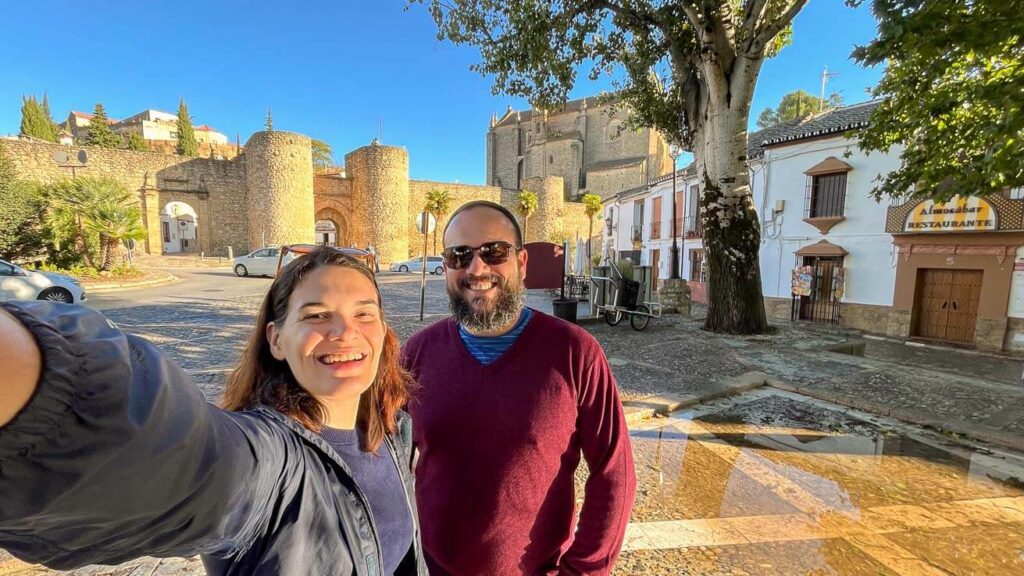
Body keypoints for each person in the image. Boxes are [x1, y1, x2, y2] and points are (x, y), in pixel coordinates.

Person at [0, 247, 427, 576]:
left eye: (364, 314)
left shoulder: (390, 431)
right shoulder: (267, 460)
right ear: (276, 340)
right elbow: (173, 460)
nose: (345, 331)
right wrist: (41, 375)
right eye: (316, 315)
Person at [401, 201, 637, 576]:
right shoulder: (417, 353)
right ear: (445, 267)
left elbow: (614, 472)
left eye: (494, 252)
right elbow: (380, 459)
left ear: (522, 263)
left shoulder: (575, 352)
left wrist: (583, 570)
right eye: (459, 255)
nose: (477, 269)